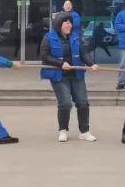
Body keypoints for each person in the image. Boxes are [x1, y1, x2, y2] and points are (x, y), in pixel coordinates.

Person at [40, 14, 99, 143]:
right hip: (59, 76)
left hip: (76, 75)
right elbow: (44, 56)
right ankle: (63, 130)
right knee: (65, 103)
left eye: (70, 22)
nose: (69, 25)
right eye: (66, 22)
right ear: (58, 24)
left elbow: (83, 53)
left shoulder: (75, 37)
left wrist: (91, 63)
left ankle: (84, 132)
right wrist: (60, 64)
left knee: (83, 102)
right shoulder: (49, 37)